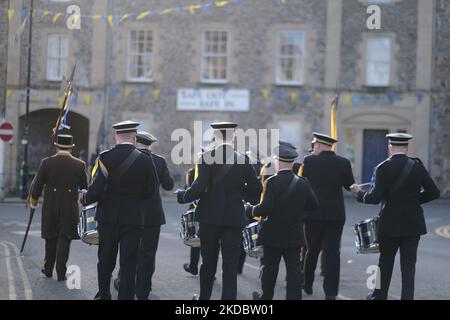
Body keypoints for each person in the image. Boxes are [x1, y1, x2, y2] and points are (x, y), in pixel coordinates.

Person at [176, 122, 261, 300]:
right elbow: (256, 191)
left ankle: (204, 299)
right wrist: (241, 196)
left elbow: (198, 188)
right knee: (229, 266)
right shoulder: (244, 160)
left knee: (208, 263)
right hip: (234, 219)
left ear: (215, 137)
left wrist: (182, 196)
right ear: (233, 138)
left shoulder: (207, 157)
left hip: (209, 218)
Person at [351, 133, 440, 300]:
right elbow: (434, 192)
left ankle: (379, 295)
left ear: (389, 148)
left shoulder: (382, 168)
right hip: (413, 223)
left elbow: (375, 198)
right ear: (406, 147)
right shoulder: (417, 166)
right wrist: (414, 201)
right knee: (408, 266)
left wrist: (359, 194)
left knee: (384, 262)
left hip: (389, 223)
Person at [80, 121, 158, 300]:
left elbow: (96, 190)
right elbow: (152, 192)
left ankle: (104, 294)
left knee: (106, 259)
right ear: (134, 137)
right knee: (129, 262)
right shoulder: (145, 160)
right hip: (134, 219)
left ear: (116, 136)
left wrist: (85, 197)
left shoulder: (105, 158)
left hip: (108, 218)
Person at [246, 144, 318, 300]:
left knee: (270, 268)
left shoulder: (272, 182)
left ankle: (266, 297)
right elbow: (314, 205)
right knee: (293, 269)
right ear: (293, 163)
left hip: (273, 233)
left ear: (277, 162)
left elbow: (265, 208)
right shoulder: (303, 182)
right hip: (294, 233)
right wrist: (297, 211)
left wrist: (250, 209)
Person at [112, 131, 174, 299]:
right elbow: (169, 185)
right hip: (153, 216)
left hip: (130, 213)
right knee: (148, 254)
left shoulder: (127, 158)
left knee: (128, 252)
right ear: (149, 144)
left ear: (135, 141)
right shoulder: (159, 161)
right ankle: (143, 291)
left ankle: (124, 284)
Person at [302, 132, 356, 300]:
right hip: (336, 215)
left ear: (318, 146)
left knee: (311, 250)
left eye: (314, 146)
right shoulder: (344, 163)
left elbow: (303, 184)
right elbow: (349, 185)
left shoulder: (309, 161)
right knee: (333, 254)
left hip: (313, 214)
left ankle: (308, 283)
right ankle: (331, 293)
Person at [30, 134, 88, 281]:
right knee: (65, 237)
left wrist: (33, 202)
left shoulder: (46, 162)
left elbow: (37, 186)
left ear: (56, 146)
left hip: (50, 205)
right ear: (71, 147)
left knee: (50, 237)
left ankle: (48, 268)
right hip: (69, 206)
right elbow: (85, 188)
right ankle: (61, 271)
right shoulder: (80, 164)